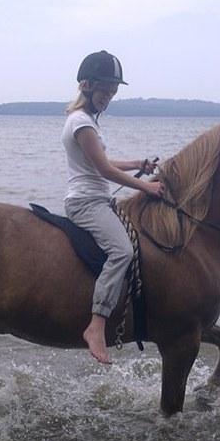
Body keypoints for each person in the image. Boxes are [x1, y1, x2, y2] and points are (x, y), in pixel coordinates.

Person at [62, 50, 165, 364]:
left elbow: (101, 162)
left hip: (97, 199)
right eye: (104, 91)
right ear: (87, 86)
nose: (108, 97)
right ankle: (97, 324)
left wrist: (137, 164)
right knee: (123, 251)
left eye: (113, 92)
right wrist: (147, 187)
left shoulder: (87, 121)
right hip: (86, 203)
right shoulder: (81, 122)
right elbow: (104, 171)